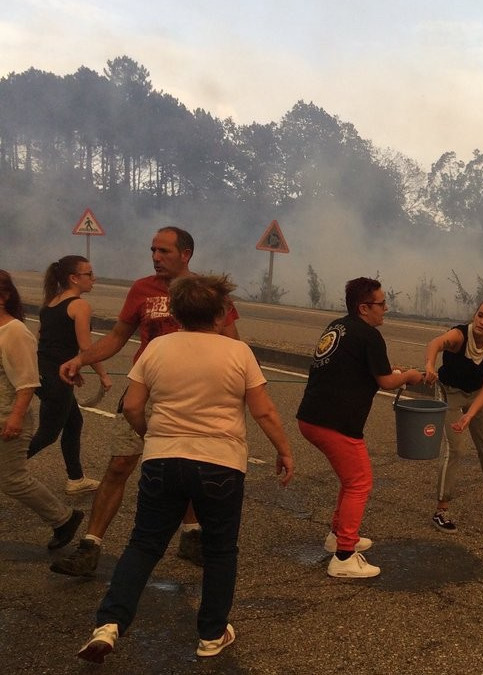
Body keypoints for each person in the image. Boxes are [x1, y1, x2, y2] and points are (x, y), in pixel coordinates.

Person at [76, 275, 294, 664]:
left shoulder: (157, 348)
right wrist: (284, 450)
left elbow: (131, 406)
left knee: (144, 544)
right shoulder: (238, 352)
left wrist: (153, 435)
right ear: (221, 313)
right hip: (220, 463)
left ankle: (108, 625)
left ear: (175, 312)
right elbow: (263, 410)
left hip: (163, 458)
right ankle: (211, 633)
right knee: (221, 548)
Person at [53, 227, 238, 577]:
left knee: (188, 465)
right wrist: (82, 359)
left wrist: (239, 386)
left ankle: (192, 535)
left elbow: (231, 342)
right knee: (120, 464)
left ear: (186, 254)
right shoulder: (141, 289)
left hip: (192, 394)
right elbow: (118, 336)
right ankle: (90, 546)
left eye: (164, 251)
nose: (155, 257)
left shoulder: (207, 291)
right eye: (153, 250)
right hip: (145, 388)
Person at [296, 278, 423, 577]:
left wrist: (394, 373)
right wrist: (409, 376)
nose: (386, 309)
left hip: (311, 416)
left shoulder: (338, 326)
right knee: (360, 482)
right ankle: (343, 557)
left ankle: (337, 536)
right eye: (381, 303)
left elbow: (363, 369)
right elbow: (385, 380)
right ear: (364, 308)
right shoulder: (369, 336)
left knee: (350, 479)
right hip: (336, 422)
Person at [0, 270, 83, 553]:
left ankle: (64, 518)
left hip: (6, 416)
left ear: (4, 297)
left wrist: (15, 418)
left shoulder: (14, 332)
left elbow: (27, 382)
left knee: (13, 480)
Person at [424, 299, 483, 532]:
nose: (482, 322)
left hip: (477, 394)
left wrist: (469, 416)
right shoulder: (459, 336)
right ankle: (441, 509)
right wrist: (429, 366)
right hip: (449, 392)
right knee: (455, 449)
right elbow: (435, 343)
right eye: (480, 315)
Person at [27, 255, 112, 494]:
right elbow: (87, 348)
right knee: (47, 434)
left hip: (45, 373)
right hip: (58, 378)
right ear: (74, 278)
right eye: (89, 274)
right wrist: (103, 375)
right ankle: (7, 467)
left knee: (74, 422)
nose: (93, 279)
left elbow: (45, 341)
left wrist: (73, 367)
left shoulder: (51, 302)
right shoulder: (80, 305)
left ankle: (76, 478)